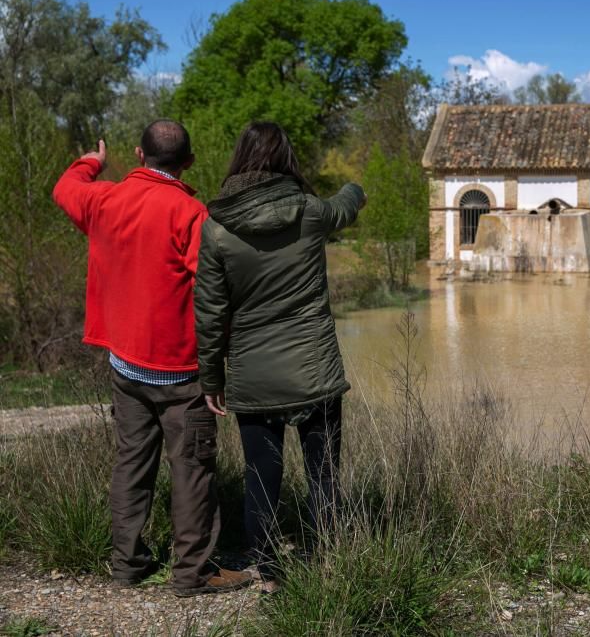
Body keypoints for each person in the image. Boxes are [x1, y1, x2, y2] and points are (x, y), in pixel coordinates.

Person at [52, 121, 252, 597]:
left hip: (125, 364)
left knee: (132, 462)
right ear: (189, 162)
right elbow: (214, 296)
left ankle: (128, 563)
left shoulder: (103, 199)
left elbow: (65, 188)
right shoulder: (191, 213)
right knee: (192, 469)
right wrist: (220, 360)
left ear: (139, 153)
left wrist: (92, 161)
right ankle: (193, 573)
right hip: (182, 371)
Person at [194, 122, 366, 593]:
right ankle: (328, 560)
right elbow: (345, 208)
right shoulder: (310, 212)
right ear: (286, 160)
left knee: (260, 477)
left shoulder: (216, 229)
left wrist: (211, 378)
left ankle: (268, 570)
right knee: (324, 476)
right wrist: (357, 185)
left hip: (253, 374)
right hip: (315, 373)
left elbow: (210, 312)